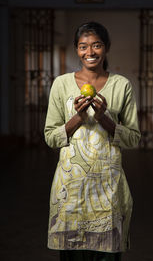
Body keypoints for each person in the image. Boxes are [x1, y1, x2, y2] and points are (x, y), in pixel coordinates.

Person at [44, 22, 141, 261]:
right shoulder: (61, 84)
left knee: (108, 254)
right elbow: (50, 137)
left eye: (96, 45)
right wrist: (77, 117)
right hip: (70, 190)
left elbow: (133, 139)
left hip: (108, 189)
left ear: (106, 48)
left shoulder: (121, 85)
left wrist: (103, 118)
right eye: (83, 46)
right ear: (77, 50)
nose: (90, 52)